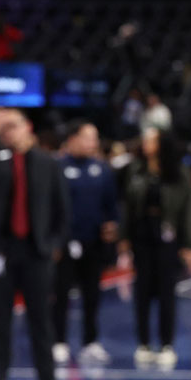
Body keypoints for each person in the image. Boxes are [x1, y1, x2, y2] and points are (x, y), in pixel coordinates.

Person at [0, 107, 71, 380]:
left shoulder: (47, 162)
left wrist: (53, 243)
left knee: (41, 320)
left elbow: (61, 208)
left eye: (14, 126)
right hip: (2, 249)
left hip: (35, 250)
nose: (9, 132)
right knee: (1, 320)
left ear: (28, 128)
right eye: (5, 127)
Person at [121, 128, 191, 371]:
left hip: (168, 237)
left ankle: (167, 344)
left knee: (167, 292)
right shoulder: (136, 169)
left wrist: (188, 243)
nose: (146, 143)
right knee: (142, 292)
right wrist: (124, 236)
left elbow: (189, 208)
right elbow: (127, 205)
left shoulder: (179, 172)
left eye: (151, 139)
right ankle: (143, 343)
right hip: (141, 235)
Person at [54, 121, 120, 365]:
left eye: (95, 138)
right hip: (65, 243)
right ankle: (58, 341)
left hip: (93, 242)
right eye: (88, 137)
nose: (93, 143)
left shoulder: (101, 169)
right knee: (61, 294)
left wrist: (113, 225)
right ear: (73, 138)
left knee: (92, 295)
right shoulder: (58, 167)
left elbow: (111, 205)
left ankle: (90, 341)